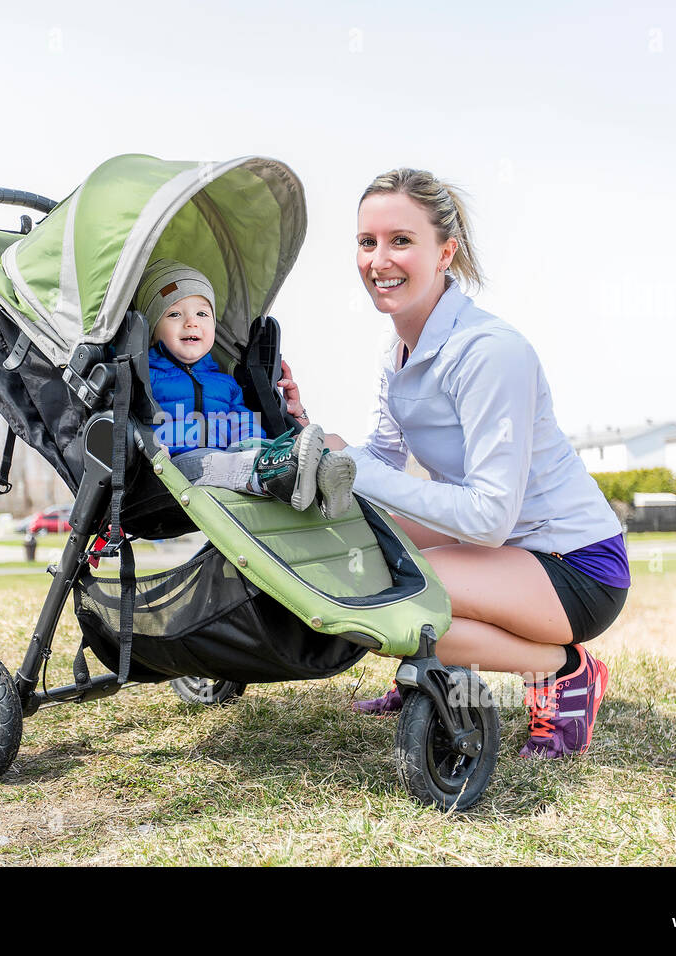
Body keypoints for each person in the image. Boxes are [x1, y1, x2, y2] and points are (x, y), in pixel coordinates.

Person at [278, 170, 629, 758]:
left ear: (445, 252)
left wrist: (356, 466)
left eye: (401, 240)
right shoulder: (397, 353)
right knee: (354, 546)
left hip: (575, 566)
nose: (379, 259)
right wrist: (309, 434)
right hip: (504, 552)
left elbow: (490, 515)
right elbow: (381, 462)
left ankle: (566, 671)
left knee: (387, 588)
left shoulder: (490, 351)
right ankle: (434, 659)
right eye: (367, 242)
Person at [138, 258, 357, 518]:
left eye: (202, 314)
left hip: (229, 457)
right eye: (175, 314)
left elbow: (242, 422)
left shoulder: (224, 382)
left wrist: (259, 444)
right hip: (178, 465)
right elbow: (135, 422)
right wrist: (153, 448)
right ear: (152, 330)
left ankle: (319, 478)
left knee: (259, 449)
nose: (191, 322)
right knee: (218, 462)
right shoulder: (146, 377)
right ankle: (278, 474)